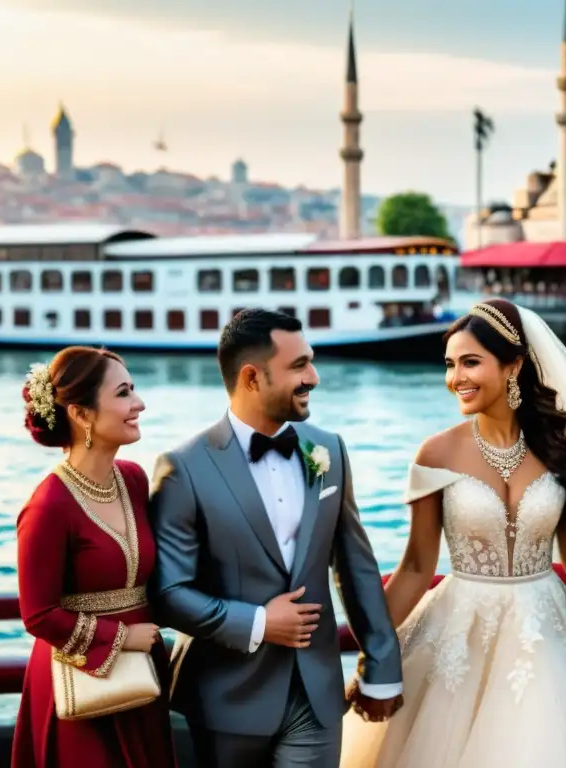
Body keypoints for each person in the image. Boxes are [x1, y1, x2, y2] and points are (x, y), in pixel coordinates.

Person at [339, 298, 566, 767]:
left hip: (550, 631)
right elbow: (413, 568)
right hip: (457, 633)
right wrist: (373, 649)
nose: (456, 378)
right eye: (449, 365)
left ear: (513, 365)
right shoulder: (437, 453)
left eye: (471, 362)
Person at [148, 309, 402, 768]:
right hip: (226, 698)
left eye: (311, 361)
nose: (314, 377)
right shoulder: (182, 467)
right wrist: (260, 623)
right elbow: (168, 593)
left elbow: (356, 566)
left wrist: (381, 667)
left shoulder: (329, 449)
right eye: (299, 366)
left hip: (317, 696)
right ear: (251, 377)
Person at [12, 346, 176, 768]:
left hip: (143, 674)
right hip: (81, 681)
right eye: (123, 393)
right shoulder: (48, 506)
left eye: (134, 390)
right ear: (81, 414)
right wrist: (120, 639)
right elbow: (39, 615)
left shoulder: (135, 480)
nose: (139, 404)